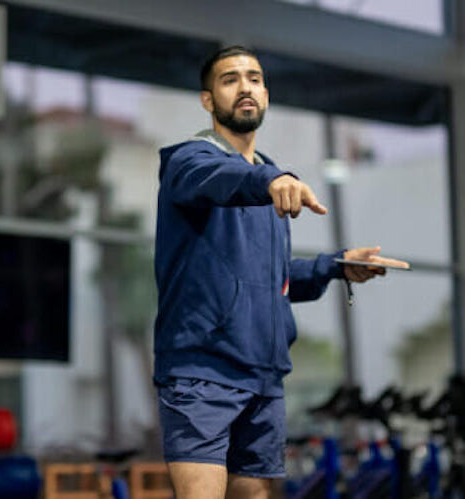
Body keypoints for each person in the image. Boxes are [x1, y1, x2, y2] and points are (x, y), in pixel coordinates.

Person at [153, 46, 408, 499]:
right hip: (203, 371)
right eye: (230, 79)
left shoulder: (268, 175)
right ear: (208, 101)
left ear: (265, 94)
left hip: (263, 375)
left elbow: (271, 277)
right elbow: (217, 177)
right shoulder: (190, 160)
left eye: (254, 78)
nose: (245, 86)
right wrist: (269, 182)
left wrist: (336, 266)